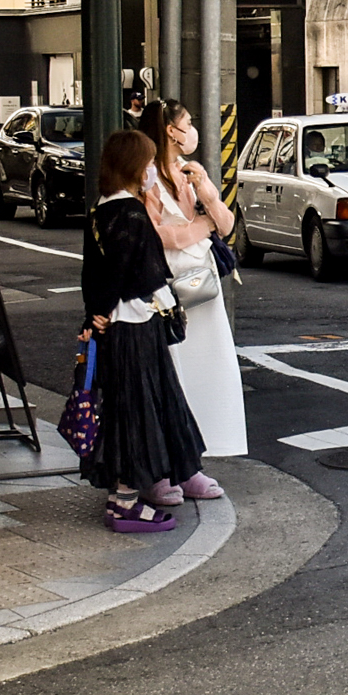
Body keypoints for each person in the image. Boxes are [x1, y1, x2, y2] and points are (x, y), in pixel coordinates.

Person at [79, 130, 206, 532]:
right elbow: (127, 272)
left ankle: (124, 499)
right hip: (134, 323)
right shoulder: (130, 214)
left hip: (116, 324)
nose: (152, 170)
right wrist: (103, 309)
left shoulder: (102, 208)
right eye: (148, 162)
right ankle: (125, 504)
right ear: (136, 167)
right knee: (140, 412)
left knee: (126, 411)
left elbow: (94, 272)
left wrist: (94, 315)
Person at [137, 100, 244, 480]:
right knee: (177, 370)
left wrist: (207, 194)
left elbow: (227, 225)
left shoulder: (190, 171)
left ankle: (198, 455)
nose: (192, 130)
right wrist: (199, 229)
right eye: (188, 122)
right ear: (171, 130)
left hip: (203, 286)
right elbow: (154, 234)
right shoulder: (147, 176)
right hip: (170, 289)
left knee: (209, 367)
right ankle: (178, 463)